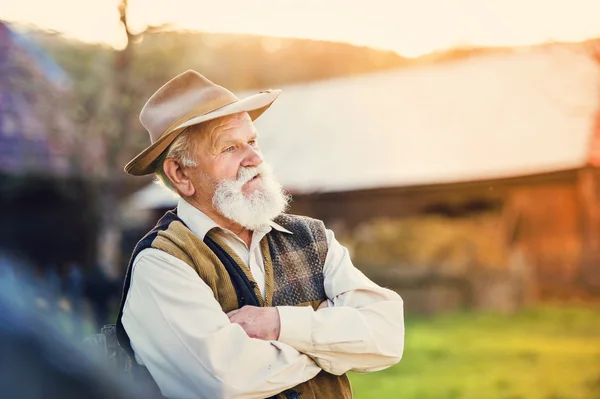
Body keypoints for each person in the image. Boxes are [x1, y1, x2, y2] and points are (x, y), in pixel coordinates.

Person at [116, 70, 405, 399]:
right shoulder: (161, 263)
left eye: (252, 141)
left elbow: (388, 337)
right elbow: (226, 382)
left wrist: (281, 324)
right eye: (230, 148)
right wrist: (334, 342)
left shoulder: (312, 237)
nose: (255, 158)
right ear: (181, 174)